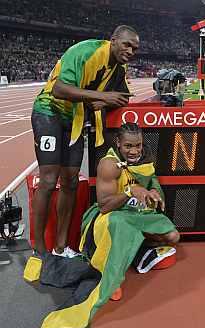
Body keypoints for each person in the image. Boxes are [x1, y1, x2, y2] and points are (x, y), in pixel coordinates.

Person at [38, 122, 180, 328]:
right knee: (120, 224)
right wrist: (131, 192)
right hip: (109, 217)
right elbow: (105, 207)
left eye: (138, 145)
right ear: (118, 144)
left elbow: (151, 179)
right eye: (129, 146)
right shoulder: (109, 165)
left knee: (172, 236)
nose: (134, 151)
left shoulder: (145, 157)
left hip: (135, 214)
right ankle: (112, 275)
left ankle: (137, 254)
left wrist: (154, 192)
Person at [30, 25, 139, 257]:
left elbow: (123, 97)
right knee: (49, 180)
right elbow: (59, 89)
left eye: (135, 48)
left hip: (76, 121)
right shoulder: (84, 51)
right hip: (49, 112)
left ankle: (61, 247)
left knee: (70, 182)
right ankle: (38, 248)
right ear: (113, 40)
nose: (130, 51)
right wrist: (102, 96)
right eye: (126, 45)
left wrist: (105, 102)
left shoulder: (119, 68)